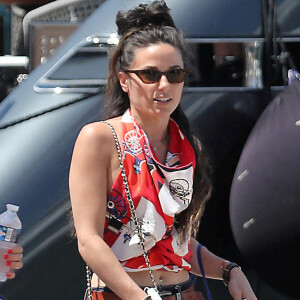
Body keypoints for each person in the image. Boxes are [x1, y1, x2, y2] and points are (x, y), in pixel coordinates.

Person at [69, 1, 257, 299]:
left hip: (183, 291)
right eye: (150, 75)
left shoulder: (185, 145)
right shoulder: (100, 138)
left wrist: (228, 270)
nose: (165, 85)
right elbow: (89, 241)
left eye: (175, 74)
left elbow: (175, 240)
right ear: (124, 80)